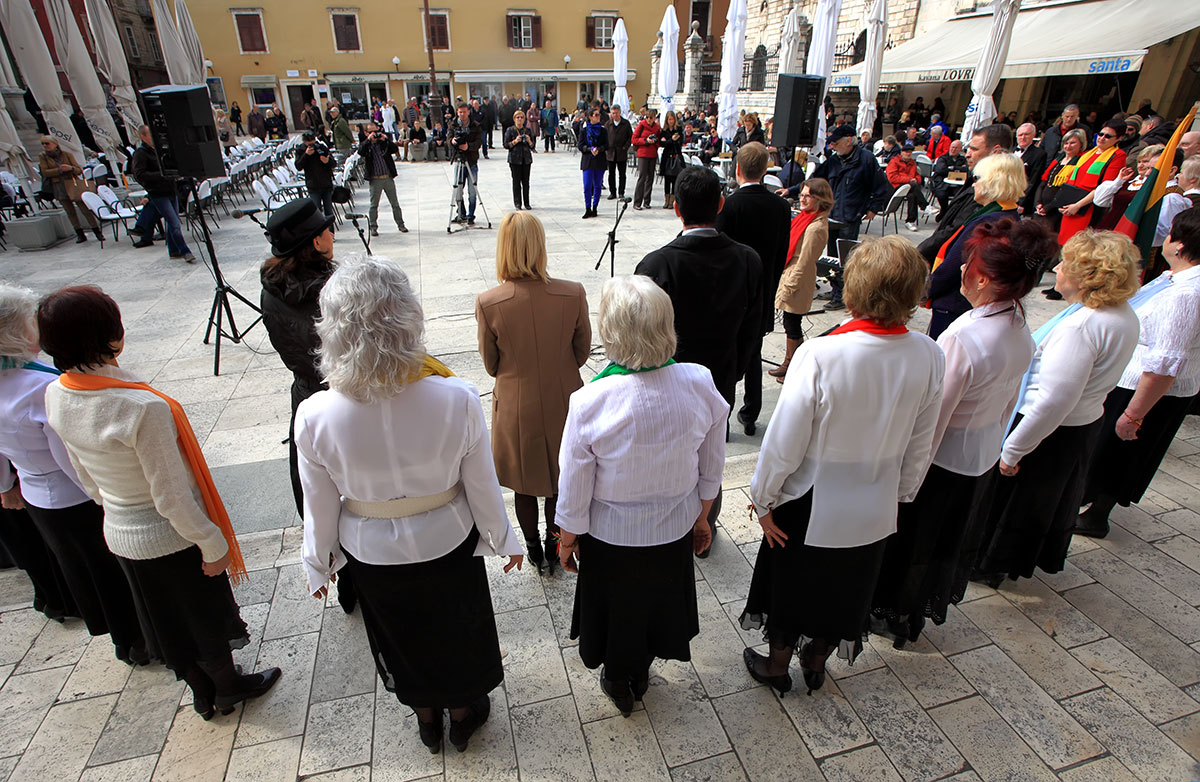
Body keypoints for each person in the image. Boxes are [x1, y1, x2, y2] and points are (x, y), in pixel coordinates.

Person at [297, 256, 523, 754]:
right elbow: (481, 485)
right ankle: (462, 712)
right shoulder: (455, 398)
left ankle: (426, 717)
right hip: (448, 537)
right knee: (455, 626)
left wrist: (319, 564)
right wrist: (503, 538)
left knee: (401, 634)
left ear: (332, 330)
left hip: (370, 549)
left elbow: (320, 507)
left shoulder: (314, 415)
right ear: (407, 318)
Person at [39, 286, 281, 721]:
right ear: (112, 336)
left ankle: (202, 693)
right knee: (203, 617)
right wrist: (211, 543)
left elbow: (83, 474)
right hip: (170, 536)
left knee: (164, 621)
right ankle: (228, 689)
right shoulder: (141, 407)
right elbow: (170, 494)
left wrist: (114, 509)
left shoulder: (59, 393)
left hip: (120, 531)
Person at [740, 236, 944, 695]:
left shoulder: (821, 353)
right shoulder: (929, 354)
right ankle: (816, 660)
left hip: (810, 497)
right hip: (875, 496)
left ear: (853, 288)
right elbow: (921, 441)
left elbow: (784, 442)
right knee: (847, 585)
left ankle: (778, 665)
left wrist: (764, 498)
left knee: (791, 582)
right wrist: (901, 494)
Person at [870, 219, 1054, 645]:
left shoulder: (967, 336)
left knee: (918, 539)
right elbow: (1008, 398)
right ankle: (914, 611)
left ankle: (898, 612)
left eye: (967, 264)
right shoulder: (1017, 322)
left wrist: (907, 481)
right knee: (944, 540)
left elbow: (935, 415)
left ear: (983, 278)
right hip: (981, 453)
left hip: (943, 458)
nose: (960, 271)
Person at [557, 274, 725, 716]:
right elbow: (712, 468)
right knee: (657, 603)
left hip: (612, 537)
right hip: (672, 527)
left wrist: (568, 538)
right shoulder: (699, 382)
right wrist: (703, 517)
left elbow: (574, 487)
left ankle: (619, 675)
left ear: (609, 333)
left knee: (618, 609)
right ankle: (640, 670)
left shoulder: (591, 400)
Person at [970, 230, 1140, 587]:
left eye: (1065, 264)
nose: (1058, 269)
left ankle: (989, 565)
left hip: (1049, 431)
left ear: (1086, 276)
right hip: (1079, 424)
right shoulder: (1120, 314)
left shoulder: (1082, 326)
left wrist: (1014, 449)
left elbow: (1054, 399)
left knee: (1015, 503)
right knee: (1039, 501)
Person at [0, 284, 146, 662]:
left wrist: (5, 486)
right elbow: (70, 457)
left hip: (36, 494)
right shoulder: (39, 387)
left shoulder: (22, 380)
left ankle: (124, 638)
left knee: (84, 571)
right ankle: (137, 640)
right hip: (73, 496)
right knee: (109, 572)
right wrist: (104, 493)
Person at [635, 166, 763, 552]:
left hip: (666, 384)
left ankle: (671, 531)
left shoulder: (656, 265)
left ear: (676, 208)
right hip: (719, 378)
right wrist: (733, 371)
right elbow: (752, 331)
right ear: (721, 205)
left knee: (668, 456)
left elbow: (640, 340)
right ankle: (705, 527)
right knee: (712, 459)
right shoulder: (748, 260)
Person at [1077, 207, 1200, 538]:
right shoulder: (1178, 278)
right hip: (1137, 385)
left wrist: (1133, 414)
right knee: (1112, 452)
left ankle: (1096, 513)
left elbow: (1164, 362)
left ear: (1181, 242)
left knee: (1119, 452)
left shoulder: (1187, 293)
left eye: (1172, 232)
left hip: (1144, 392)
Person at [476, 212, 589, 571]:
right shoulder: (572, 293)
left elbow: (491, 365)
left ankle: (532, 547)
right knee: (560, 481)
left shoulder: (489, 302)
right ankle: (558, 546)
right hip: (564, 399)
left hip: (515, 403)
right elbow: (581, 352)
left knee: (524, 485)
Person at [715, 142, 791, 435]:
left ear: (737, 169)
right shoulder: (781, 207)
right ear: (765, 170)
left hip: (732, 293)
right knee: (754, 354)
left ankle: (724, 416)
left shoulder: (730, 205)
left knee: (726, 357)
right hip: (763, 291)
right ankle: (750, 413)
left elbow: (720, 251)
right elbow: (782, 252)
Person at [780, 124, 891, 311]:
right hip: (832, 215)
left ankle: (844, 295)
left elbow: (882, 187)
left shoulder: (866, 160)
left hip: (850, 215)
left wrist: (873, 208)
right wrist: (791, 190)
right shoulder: (834, 160)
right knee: (831, 257)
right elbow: (815, 180)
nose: (832, 146)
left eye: (836, 142)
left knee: (845, 259)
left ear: (849, 141)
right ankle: (835, 290)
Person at [926, 154, 1027, 339]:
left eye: (977, 178)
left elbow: (954, 266)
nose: (973, 184)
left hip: (956, 303)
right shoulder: (1006, 214)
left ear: (992, 183)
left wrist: (926, 290)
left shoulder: (991, 221)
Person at [918, 123, 1014, 264]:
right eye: (968, 148)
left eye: (974, 149)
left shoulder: (992, 190)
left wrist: (919, 252)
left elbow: (957, 231)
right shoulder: (976, 177)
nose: (968, 154)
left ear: (996, 151)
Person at [771, 178, 832, 381]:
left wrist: (790, 285)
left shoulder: (816, 227)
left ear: (820, 199)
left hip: (798, 277)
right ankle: (790, 362)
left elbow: (805, 261)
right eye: (802, 194)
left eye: (808, 196)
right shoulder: (805, 218)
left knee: (793, 323)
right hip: (791, 272)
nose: (803, 199)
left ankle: (792, 365)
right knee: (790, 322)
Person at [129, 125, 196, 263]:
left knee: (172, 222)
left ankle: (174, 250)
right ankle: (184, 250)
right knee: (175, 222)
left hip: (170, 189)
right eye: (150, 135)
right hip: (157, 193)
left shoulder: (159, 150)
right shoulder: (141, 153)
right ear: (143, 137)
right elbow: (140, 174)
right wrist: (162, 175)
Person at [1057, 119, 1128, 244]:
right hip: (1071, 205)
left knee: (1078, 244)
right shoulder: (1089, 153)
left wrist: (1078, 205)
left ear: (1119, 138)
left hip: (1086, 208)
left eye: (1108, 136)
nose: (1102, 138)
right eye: (1100, 134)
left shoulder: (1118, 156)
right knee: (1063, 242)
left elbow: (1105, 187)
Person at [37, 136, 101, 244]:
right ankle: (79, 233)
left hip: (73, 183)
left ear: (55, 144)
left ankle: (97, 231)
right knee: (70, 211)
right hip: (58, 185)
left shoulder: (67, 155)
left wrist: (70, 168)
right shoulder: (43, 157)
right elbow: (45, 172)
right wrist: (59, 170)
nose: (45, 146)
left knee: (84, 209)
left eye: (47, 143)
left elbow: (78, 170)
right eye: (43, 143)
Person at [1033, 128, 1088, 235]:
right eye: (1066, 143)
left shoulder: (1081, 163)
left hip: (1056, 210)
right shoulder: (1057, 160)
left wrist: (1048, 207)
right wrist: (1038, 203)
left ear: (1081, 144)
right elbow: (1043, 183)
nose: (1068, 146)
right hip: (1041, 208)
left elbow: (1067, 190)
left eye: (1072, 143)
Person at [358, 122, 408, 236]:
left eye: (375, 131)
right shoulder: (366, 145)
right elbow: (360, 151)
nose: (374, 134)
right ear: (366, 133)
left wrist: (385, 140)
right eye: (371, 132)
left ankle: (401, 224)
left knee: (395, 203)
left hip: (387, 177)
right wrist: (369, 140)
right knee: (374, 205)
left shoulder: (383, 143)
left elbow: (395, 149)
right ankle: (373, 226)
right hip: (375, 179)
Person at [450, 103, 483, 226]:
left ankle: (471, 215)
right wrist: (452, 141)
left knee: (472, 190)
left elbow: (479, 142)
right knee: (458, 189)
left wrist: (468, 146)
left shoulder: (475, 126)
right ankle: (461, 213)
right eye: (460, 112)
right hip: (459, 160)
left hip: (471, 161)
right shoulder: (453, 125)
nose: (462, 114)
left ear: (468, 112)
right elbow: (448, 140)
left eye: (464, 112)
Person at [886, 143, 929, 232]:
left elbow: (918, 177)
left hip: (909, 187)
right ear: (901, 152)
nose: (908, 154)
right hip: (895, 187)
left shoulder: (912, 163)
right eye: (906, 152)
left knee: (912, 195)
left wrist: (915, 179)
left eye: (910, 152)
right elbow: (892, 178)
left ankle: (910, 221)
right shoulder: (894, 161)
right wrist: (909, 180)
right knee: (913, 186)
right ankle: (925, 206)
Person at [295, 131, 335, 220]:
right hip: (313, 185)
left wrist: (327, 161)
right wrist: (306, 155)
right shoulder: (300, 150)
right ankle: (320, 232)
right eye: (308, 144)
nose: (311, 146)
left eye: (312, 143)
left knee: (329, 211)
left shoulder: (321, 147)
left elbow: (333, 163)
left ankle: (330, 231)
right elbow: (298, 166)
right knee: (317, 212)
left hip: (326, 184)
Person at [578, 106, 608, 219]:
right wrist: (589, 149)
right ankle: (587, 208)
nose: (598, 117)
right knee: (587, 185)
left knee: (597, 185)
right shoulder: (584, 130)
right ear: (590, 117)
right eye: (596, 115)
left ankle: (595, 207)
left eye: (599, 114)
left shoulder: (603, 130)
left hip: (599, 160)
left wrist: (599, 150)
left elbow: (606, 145)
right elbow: (580, 145)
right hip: (588, 161)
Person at [504, 109, 535, 210]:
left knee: (526, 182)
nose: (520, 119)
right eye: (518, 117)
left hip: (526, 159)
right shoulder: (510, 130)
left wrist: (529, 140)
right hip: (515, 160)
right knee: (516, 182)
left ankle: (527, 202)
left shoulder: (528, 130)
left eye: (521, 117)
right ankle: (518, 203)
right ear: (514, 119)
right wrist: (514, 141)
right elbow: (505, 145)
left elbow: (532, 146)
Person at [1015, 123, 1048, 216]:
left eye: (1026, 134)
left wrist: (1021, 203)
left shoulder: (1039, 154)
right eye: (1020, 135)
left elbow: (1033, 180)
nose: (1023, 137)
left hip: (1021, 200)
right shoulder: (1010, 151)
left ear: (1033, 136)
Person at [631, 109, 661, 210]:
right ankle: (637, 202)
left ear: (654, 118)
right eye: (647, 117)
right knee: (642, 177)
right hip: (643, 153)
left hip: (652, 154)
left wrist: (655, 141)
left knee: (650, 178)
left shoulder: (657, 127)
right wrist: (645, 141)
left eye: (651, 118)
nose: (649, 119)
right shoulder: (642, 125)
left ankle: (647, 201)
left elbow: (659, 141)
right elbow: (634, 139)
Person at [930, 139, 969, 217]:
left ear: (960, 150)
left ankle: (951, 214)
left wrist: (952, 168)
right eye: (952, 147)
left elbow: (967, 170)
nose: (953, 150)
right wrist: (959, 169)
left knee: (962, 196)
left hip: (957, 185)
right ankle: (945, 211)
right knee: (942, 195)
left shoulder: (963, 159)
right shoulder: (943, 158)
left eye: (956, 148)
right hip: (942, 184)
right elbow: (941, 170)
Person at [605, 105, 632, 200]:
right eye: (613, 113)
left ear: (620, 112)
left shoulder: (626, 123)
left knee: (622, 174)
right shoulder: (608, 124)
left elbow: (630, 137)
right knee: (611, 174)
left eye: (616, 113)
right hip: (610, 153)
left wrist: (625, 147)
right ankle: (612, 192)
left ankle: (621, 192)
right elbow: (604, 137)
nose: (615, 115)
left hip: (621, 152)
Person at [659, 111, 685, 210]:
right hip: (666, 157)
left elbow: (680, 142)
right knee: (667, 179)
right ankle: (666, 199)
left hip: (676, 156)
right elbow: (662, 143)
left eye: (672, 119)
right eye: (669, 119)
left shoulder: (678, 129)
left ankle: (672, 200)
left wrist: (669, 141)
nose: (671, 121)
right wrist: (671, 140)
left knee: (674, 179)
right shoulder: (664, 130)